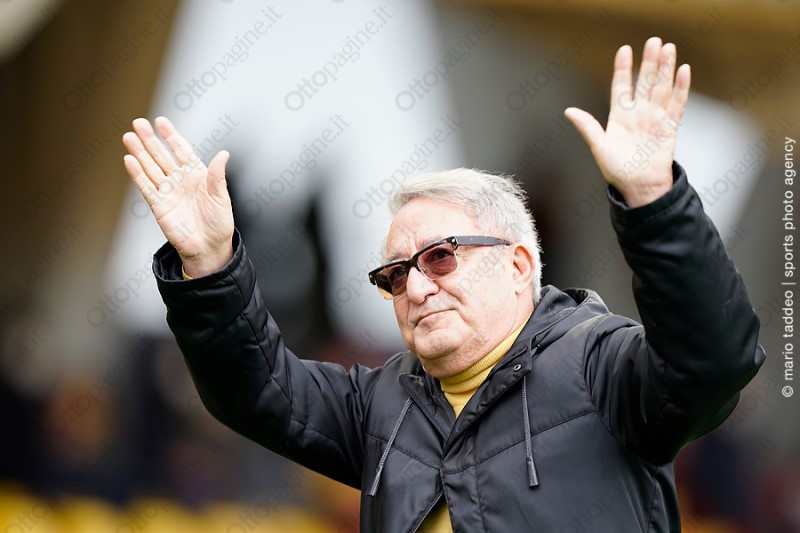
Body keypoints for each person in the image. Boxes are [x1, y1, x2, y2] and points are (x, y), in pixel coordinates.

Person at [122, 37, 764, 532]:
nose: (416, 287)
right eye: (395, 274)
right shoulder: (381, 404)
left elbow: (713, 363)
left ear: (518, 265)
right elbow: (256, 390)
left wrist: (654, 201)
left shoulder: (600, 363)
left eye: (440, 257)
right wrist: (210, 263)